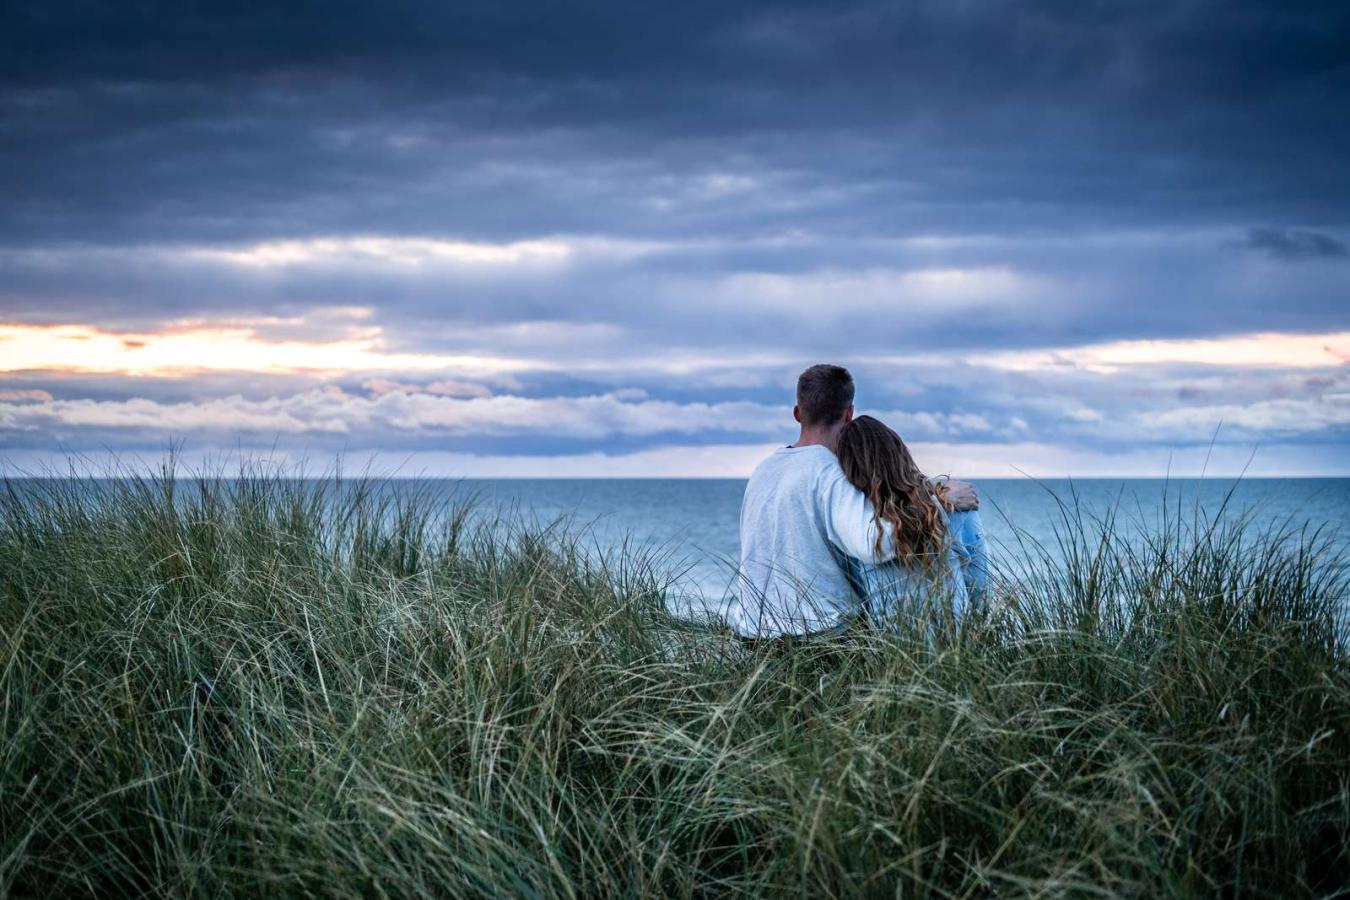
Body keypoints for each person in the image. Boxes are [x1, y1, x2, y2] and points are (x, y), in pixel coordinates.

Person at [731, 364, 979, 643]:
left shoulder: (764, 469)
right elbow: (874, 543)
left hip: (752, 634)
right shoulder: (829, 471)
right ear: (849, 414)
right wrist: (939, 503)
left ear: (798, 414)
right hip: (817, 636)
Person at [835, 415, 989, 631]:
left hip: (892, 651)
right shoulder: (956, 507)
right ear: (899, 452)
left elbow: (860, 594)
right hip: (957, 643)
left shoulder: (857, 525)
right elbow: (978, 584)